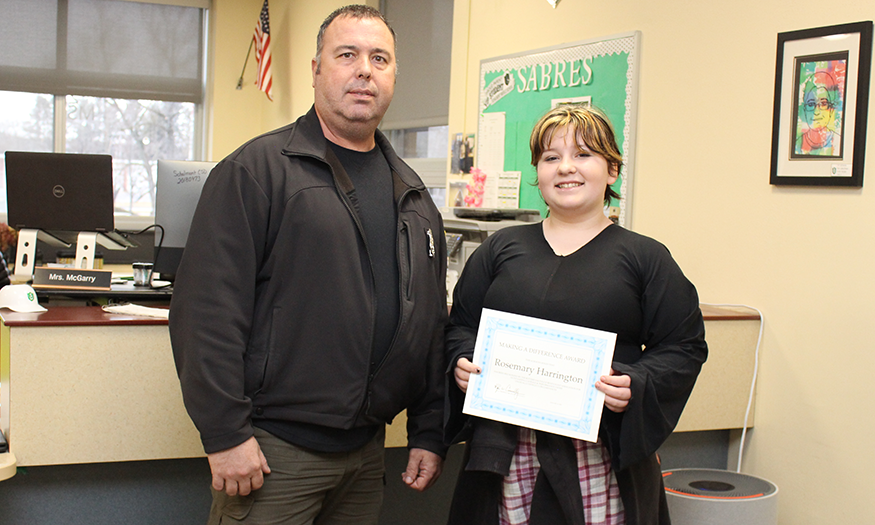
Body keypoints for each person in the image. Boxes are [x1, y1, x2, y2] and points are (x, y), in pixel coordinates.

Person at [169, 5, 447, 524]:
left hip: (366, 457)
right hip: (274, 454)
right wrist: (226, 433)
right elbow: (205, 313)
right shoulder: (256, 173)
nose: (365, 69)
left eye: (379, 58)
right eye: (347, 55)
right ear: (317, 70)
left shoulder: (413, 196)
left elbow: (427, 326)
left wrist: (429, 429)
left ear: (392, 76)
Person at [444, 105, 708, 525]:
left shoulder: (645, 257)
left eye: (583, 154)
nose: (566, 167)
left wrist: (636, 384)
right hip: (506, 455)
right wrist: (461, 361)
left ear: (613, 170)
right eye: (551, 157)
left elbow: (683, 347)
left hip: (601, 456)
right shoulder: (501, 249)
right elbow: (459, 327)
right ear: (538, 171)